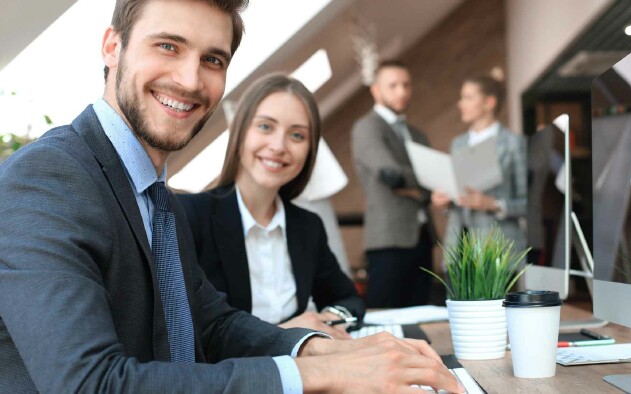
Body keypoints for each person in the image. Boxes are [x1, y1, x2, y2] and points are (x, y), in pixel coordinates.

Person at [0, 0, 464, 392]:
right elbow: (90, 384)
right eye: (168, 46)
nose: (189, 80)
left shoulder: (157, 196)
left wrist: (337, 348)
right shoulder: (47, 177)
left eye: (213, 60)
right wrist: (319, 372)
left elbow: (211, 322)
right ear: (112, 46)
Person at [178, 74, 363, 339]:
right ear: (240, 132)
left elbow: (348, 299)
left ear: (309, 151)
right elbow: (192, 334)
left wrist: (331, 319)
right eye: (265, 127)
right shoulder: (191, 215)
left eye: (297, 135)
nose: (278, 146)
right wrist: (286, 334)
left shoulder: (307, 226)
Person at [351, 60, 435, 308]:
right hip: (388, 239)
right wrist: (424, 181)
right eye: (393, 85)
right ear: (376, 90)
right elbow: (390, 174)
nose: (402, 91)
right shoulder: (367, 127)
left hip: (422, 237)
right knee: (385, 313)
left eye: (406, 85)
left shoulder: (417, 133)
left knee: (421, 313)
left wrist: (415, 188)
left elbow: (430, 184)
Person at [432, 76, 527, 253]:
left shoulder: (513, 143)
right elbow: (457, 198)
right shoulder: (458, 144)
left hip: (498, 249)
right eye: (462, 98)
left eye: (468, 98)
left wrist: (492, 203)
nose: (461, 104)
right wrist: (444, 202)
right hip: (459, 247)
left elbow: (528, 202)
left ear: (489, 102)